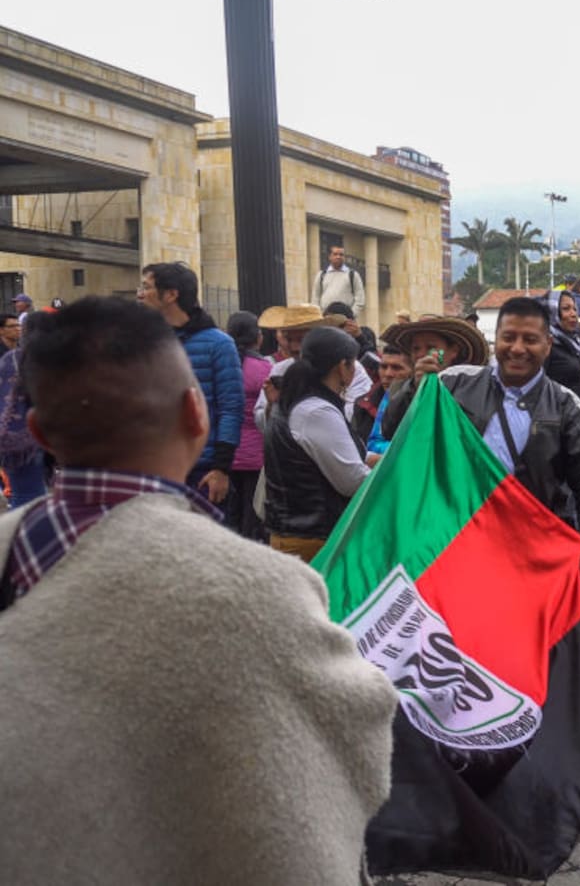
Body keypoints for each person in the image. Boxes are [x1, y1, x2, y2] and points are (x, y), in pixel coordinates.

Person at [0, 296, 395, 884]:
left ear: (39, 433)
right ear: (196, 414)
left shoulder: (14, 550)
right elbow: (351, 743)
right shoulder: (266, 587)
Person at [381, 297, 580, 567]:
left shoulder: (567, 405)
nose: (518, 348)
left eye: (530, 340)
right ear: (496, 340)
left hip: (533, 550)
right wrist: (414, 390)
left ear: (547, 345)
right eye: (508, 338)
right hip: (453, 546)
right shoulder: (453, 383)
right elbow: (393, 429)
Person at [263, 327, 382, 562]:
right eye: (352, 363)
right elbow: (352, 480)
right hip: (312, 540)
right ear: (341, 366)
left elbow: (333, 453)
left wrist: (378, 459)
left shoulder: (297, 400)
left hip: (298, 534)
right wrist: (393, 475)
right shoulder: (316, 411)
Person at [139, 262, 241, 507]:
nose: (140, 294)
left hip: (202, 472)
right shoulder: (145, 342)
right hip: (154, 469)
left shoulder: (219, 344)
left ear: (171, 295)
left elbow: (231, 408)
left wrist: (221, 468)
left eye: (147, 287)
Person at [255, 304, 373, 432]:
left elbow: (358, 414)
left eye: (301, 340)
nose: (294, 347)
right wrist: (272, 405)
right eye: (289, 339)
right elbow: (261, 420)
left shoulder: (349, 367)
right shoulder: (280, 370)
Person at [225, 311, 272, 542]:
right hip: (256, 454)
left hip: (226, 450)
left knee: (229, 512)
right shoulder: (265, 368)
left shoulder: (224, 365)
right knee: (252, 512)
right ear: (258, 338)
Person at [0, 312, 51, 508]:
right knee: (31, 496)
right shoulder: (52, 360)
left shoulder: (12, 358)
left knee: (26, 493)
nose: (17, 329)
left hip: (14, 437)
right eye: (13, 326)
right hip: (33, 436)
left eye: (19, 326)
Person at [545, 288, 580, 404]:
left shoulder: (576, 344)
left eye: (575, 309)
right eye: (566, 309)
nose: (573, 314)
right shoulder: (546, 345)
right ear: (552, 311)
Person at [363, 344, 412, 455]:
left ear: (413, 371)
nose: (388, 374)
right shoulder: (364, 402)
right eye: (383, 367)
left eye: (397, 368)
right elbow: (373, 442)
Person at [312, 244, 365, 319]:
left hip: (346, 320)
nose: (338, 257)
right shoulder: (321, 275)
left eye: (341, 254)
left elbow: (360, 299)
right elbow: (315, 298)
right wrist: (320, 316)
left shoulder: (353, 275)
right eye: (335, 254)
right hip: (325, 319)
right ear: (330, 257)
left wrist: (351, 316)